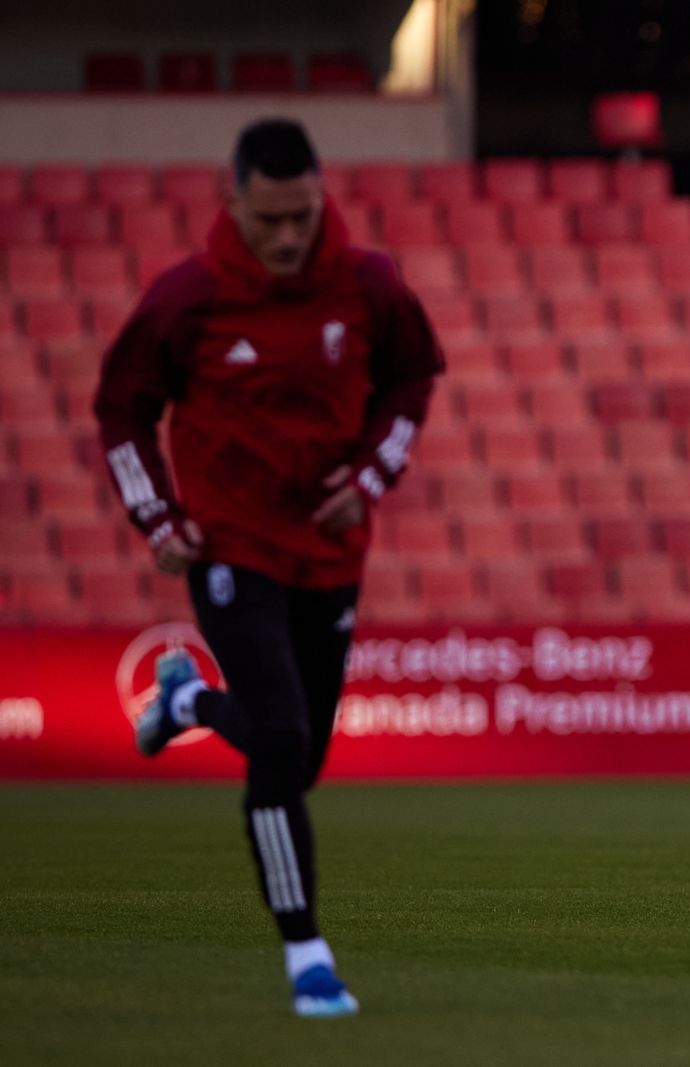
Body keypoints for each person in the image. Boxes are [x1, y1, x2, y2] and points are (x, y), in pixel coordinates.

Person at [94, 118, 444, 1014]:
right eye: (268, 219)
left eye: (301, 215)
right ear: (232, 197)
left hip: (329, 550)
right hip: (230, 545)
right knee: (281, 746)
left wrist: (371, 474)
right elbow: (121, 410)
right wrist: (156, 516)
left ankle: (186, 702)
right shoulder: (190, 298)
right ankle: (307, 957)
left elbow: (413, 379)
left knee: (303, 754)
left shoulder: (367, 285)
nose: (287, 238)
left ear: (320, 196)